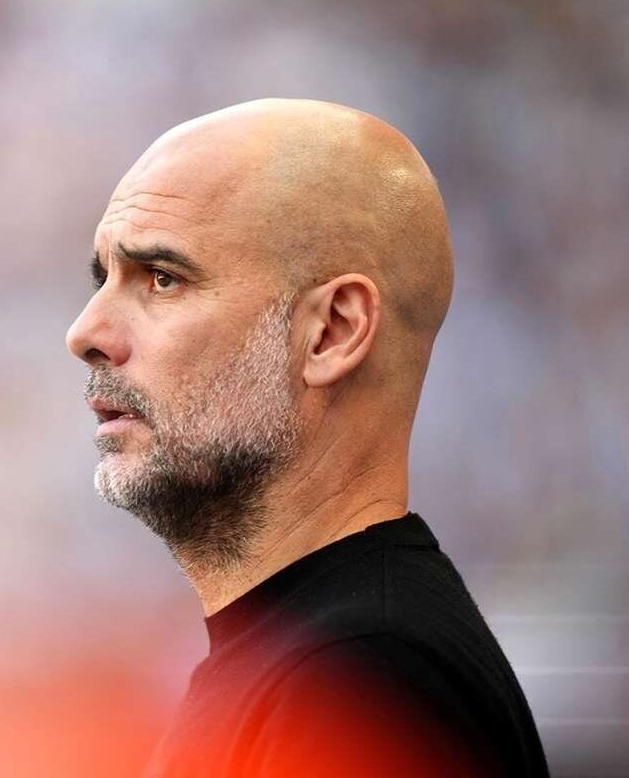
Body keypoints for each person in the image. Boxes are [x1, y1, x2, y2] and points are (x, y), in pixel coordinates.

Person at [65, 99, 549, 777]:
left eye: (163, 279)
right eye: (104, 279)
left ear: (332, 332)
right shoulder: (314, 658)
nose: (85, 332)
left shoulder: (363, 680)